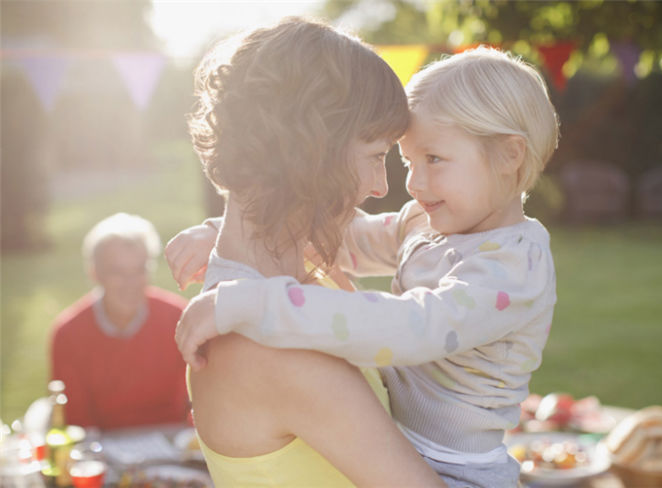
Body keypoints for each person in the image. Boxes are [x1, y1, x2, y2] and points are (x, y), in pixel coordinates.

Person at [170, 45, 560, 487]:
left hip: (463, 471)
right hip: (416, 451)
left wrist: (256, 303)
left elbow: (413, 327)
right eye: (401, 159)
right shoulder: (424, 223)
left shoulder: (512, 268)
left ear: (511, 156)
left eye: (434, 159)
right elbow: (348, 241)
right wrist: (218, 229)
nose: (409, 184)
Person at [169, 17, 444, 487]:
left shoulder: (297, 292)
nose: (382, 187)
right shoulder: (274, 342)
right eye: (377, 157)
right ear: (312, 153)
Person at [50, 213, 188, 430]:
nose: (130, 283)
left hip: (174, 447)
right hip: (102, 450)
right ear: (95, 273)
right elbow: (76, 420)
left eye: (139, 270)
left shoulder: (179, 318)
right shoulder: (68, 333)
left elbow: (198, 402)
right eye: (118, 272)